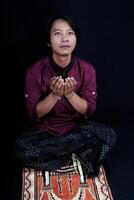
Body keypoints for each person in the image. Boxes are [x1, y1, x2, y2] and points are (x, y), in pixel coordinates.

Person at [15, 14, 116, 178]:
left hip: (76, 128)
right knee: (20, 148)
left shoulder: (87, 69)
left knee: (108, 134)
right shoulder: (34, 71)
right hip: (45, 131)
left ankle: (61, 154)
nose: (64, 39)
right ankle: (75, 154)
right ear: (48, 41)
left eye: (70, 33)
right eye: (57, 33)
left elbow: (88, 111)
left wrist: (69, 94)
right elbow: (34, 114)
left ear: (76, 39)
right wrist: (54, 94)